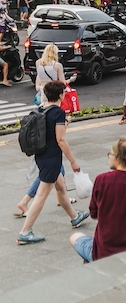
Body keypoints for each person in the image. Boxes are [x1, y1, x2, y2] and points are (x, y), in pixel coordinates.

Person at [17, 81, 90, 244]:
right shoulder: (58, 112)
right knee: (42, 195)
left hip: (41, 155)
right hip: (52, 158)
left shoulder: (42, 108)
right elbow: (60, 140)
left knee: (61, 187)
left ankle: (74, 217)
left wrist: (64, 125)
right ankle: (25, 232)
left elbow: (49, 131)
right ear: (60, 95)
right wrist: (72, 161)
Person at [69, 139, 126, 261]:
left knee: (75, 237)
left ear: (118, 158)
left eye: (110, 154)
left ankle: (94, 264)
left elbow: (94, 214)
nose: (109, 157)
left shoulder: (102, 180)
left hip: (103, 252)